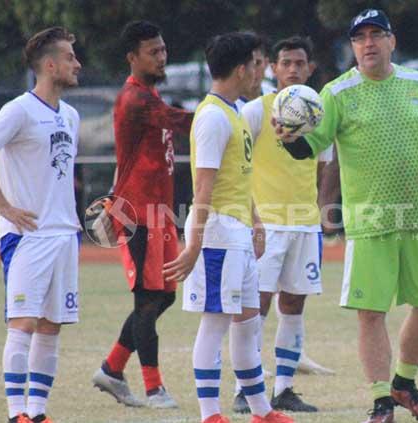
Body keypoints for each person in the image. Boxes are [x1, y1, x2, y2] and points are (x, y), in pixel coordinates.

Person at [276, 9, 418, 423]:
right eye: (360, 38)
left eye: (376, 35)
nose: (368, 43)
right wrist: (288, 138)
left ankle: (404, 382)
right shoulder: (337, 92)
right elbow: (309, 147)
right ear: (352, 46)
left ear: (392, 41)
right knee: (371, 312)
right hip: (370, 220)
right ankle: (380, 401)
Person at [163, 32, 293, 423]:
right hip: (217, 232)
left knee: (248, 321)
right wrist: (193, 246)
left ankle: (260, 411)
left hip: (236, 230)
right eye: (257, 63)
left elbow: (237, 176)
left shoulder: (235, 110)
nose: (260, 71)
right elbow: (203, 187)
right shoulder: (214, 116)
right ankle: (210, 415)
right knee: (216, 322)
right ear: (241, 68)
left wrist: (254, 220)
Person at [0, 27, 82, 423]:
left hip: (64, 235)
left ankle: (38, 412)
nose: (76, 64)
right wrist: (5, 207)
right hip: (28, 237)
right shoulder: (18, 110)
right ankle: (17, 415)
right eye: (69, 57)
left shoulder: (71, 115)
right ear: (50, 66)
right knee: (24, 323)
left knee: (51, 326)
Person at [91, 20, 194, 409]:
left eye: (163, 49)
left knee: (164, 297)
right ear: (132, 57)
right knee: (148, 301)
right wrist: (227, 115)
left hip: (158, 212)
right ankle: (154, 389)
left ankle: (112, 368)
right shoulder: (136, 99)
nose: (162, 56)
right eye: (154, 51)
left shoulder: (150, 93)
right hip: (137, 214)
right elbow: (181, 121)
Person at [233, 35, 328, 414]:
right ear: (272, 68)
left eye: (299, 63)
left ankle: (284, 388)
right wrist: (251, 217)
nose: (292, 69)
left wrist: (323, 210)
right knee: (256, 306)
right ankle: (246, 387)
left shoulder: (319, 112)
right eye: (285, 62)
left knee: (294, 305)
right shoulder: (256, 111)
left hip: (305, 225)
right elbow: (237, 167)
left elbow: (325, 165)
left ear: (310, 68)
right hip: (266, 225)